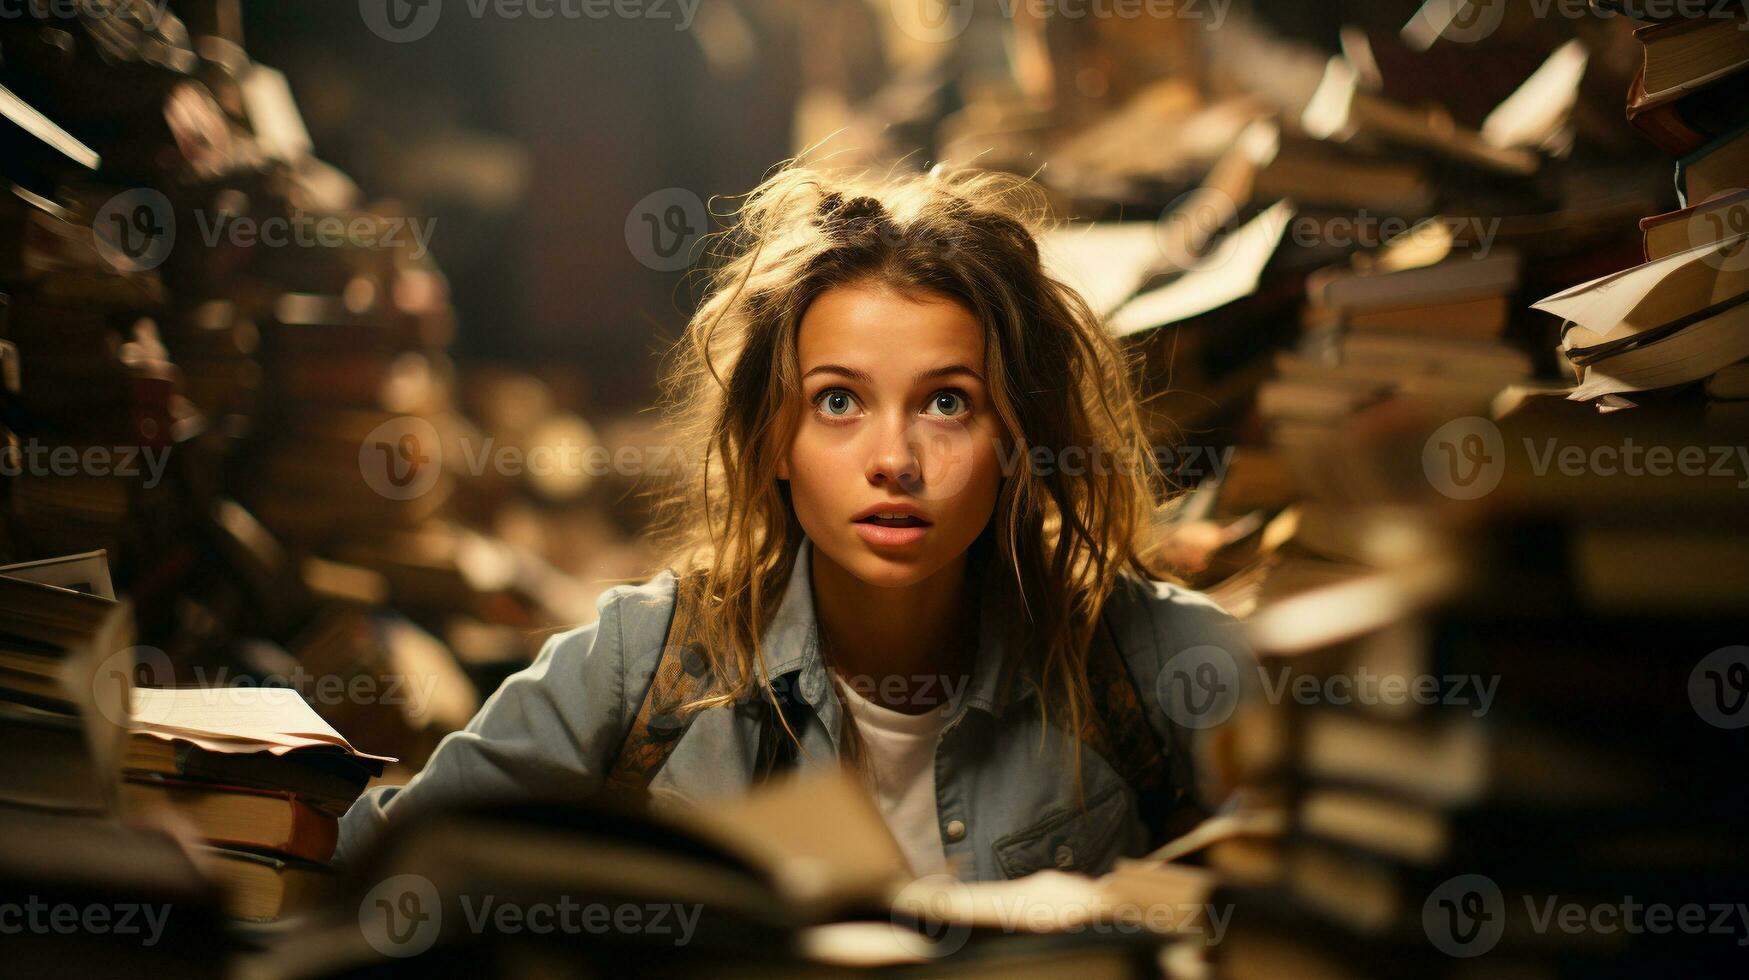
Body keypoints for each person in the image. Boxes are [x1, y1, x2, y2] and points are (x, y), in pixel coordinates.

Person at [336, 164, 1251, 881]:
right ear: (773, 440)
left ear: (1018, 440)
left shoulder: (1131, 653)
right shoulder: (646, 663)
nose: (893, 458)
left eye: (946, 404)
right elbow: (387, 861)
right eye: (839, 401)